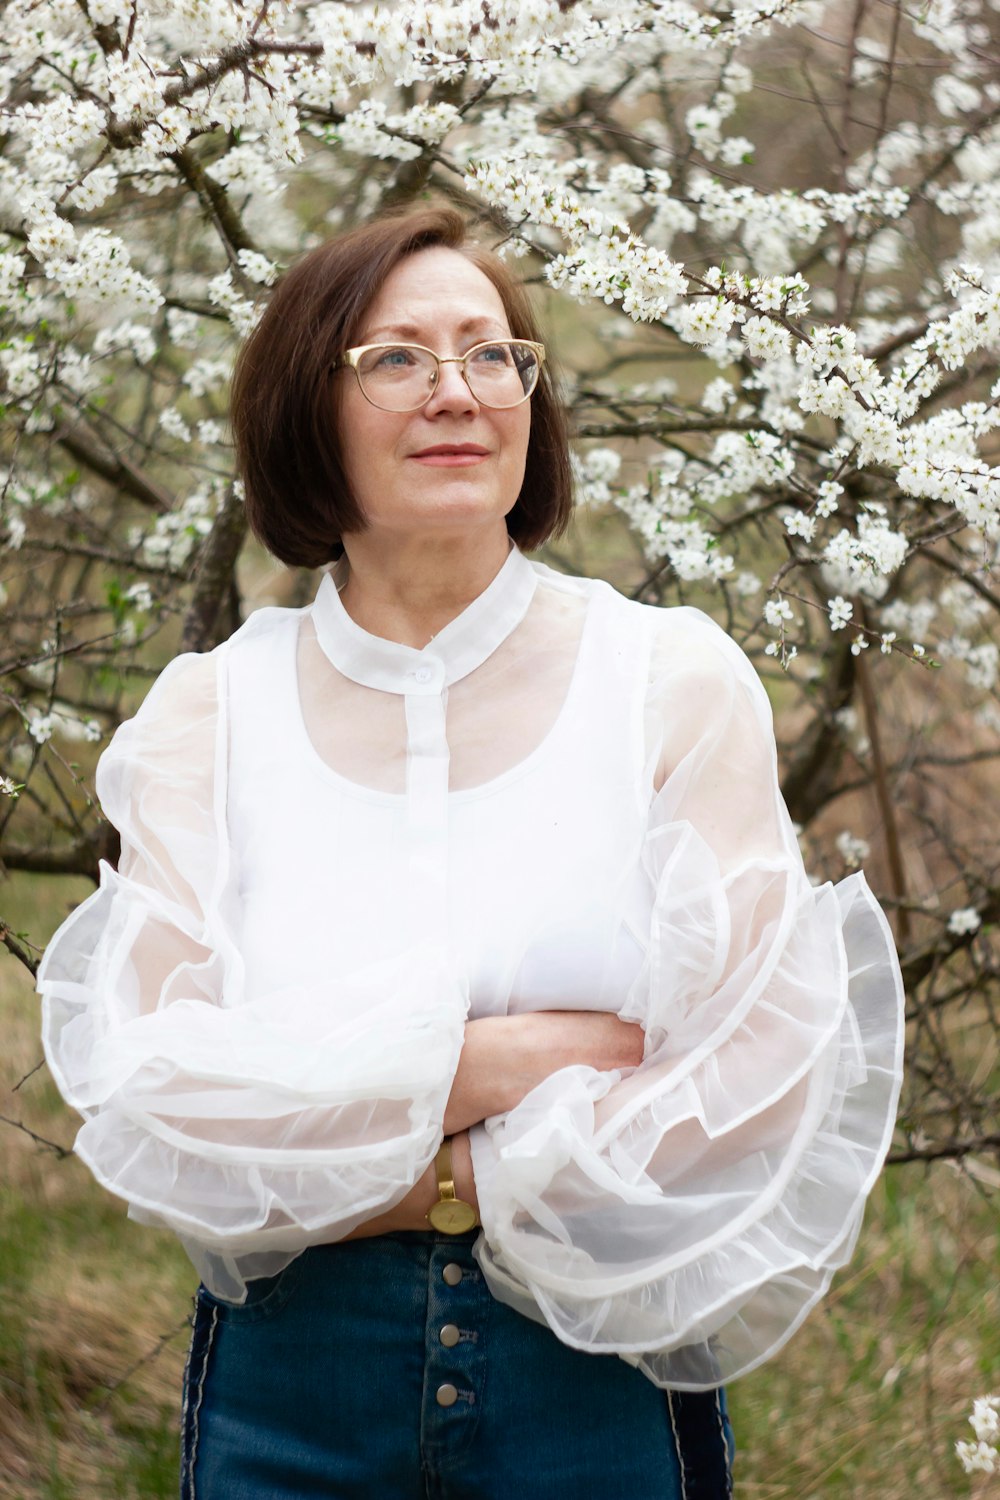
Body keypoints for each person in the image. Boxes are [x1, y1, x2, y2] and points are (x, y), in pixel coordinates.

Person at [38, 207, 905, 1500]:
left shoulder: (666, 683)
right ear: (304, 411)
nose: (458, 393)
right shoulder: (206, 720)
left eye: (492, 356)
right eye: (396, 360)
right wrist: (496, 1065)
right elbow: (161, 1098)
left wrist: (380, 1139)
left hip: (591, 1372)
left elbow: (765, 1065)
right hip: (292, 1391)